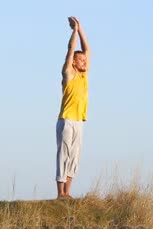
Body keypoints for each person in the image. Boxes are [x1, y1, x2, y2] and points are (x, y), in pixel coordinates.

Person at [56, 16, 90, 199]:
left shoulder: (84, 76)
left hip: (79, 121)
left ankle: (67, 192)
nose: (84, 62)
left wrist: (81, 28)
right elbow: (71, 50)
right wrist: (74, 32)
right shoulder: (69, 74)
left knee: (74, 158)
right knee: (64, 154)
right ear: (74, 63)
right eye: (81, 60)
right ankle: (60, 192)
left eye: (85, 60)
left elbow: (87, 50)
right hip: (66, 120)